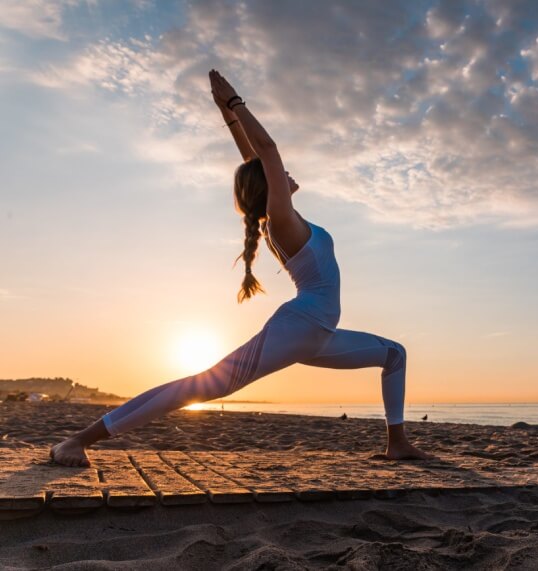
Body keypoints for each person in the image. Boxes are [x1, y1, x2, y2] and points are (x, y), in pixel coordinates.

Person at [49, 69, 434, 467]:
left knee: (394, 354)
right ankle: (79, 439)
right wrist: (236, 102)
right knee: (200, 386)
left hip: (320, 334)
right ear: (271, 186)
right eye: (278, 175)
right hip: (298, 328)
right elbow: (265, 151)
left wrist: (229, 118)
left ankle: (397, 443)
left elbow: (253, 158)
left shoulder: (285, 218)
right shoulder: (280, 220)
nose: (286, 173)